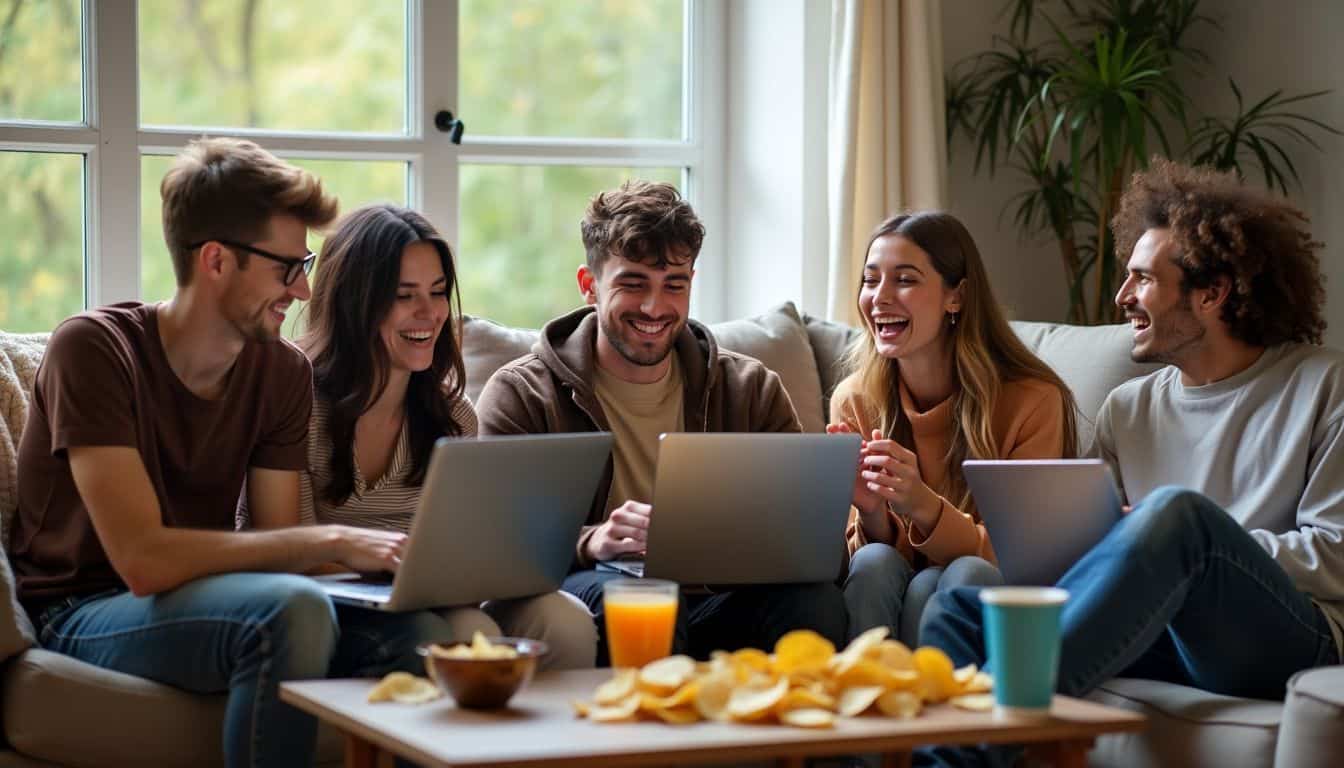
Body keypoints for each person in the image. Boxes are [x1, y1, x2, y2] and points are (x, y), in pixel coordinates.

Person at [8, 138, 422, 768]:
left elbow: (275, 543)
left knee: (428, 633)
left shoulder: (280, 372)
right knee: (290, 613)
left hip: (211, 599)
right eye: (288, 267)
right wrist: (333, 542)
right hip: (81, 608)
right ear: (216, 260)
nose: (305, 290)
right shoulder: (92, 350)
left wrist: (397, 574)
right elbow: (143, 560)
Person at [916, 159, 1343, 766]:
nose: (1121, 297)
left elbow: (1336, 553)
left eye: (1141, 279)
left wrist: (1204, 545)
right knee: (961, 607)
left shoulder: (1325, 387)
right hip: (1165, 627)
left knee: (1178, 517)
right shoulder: (1128, 408)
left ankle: (982, 748)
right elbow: (1099, 551)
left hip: (1290, 636)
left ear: (1212, 293)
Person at [475, 180, 848, 662]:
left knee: (814, 601)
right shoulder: (523, 393)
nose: (655, 308)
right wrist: (593, 541)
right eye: (633, 284)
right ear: (590, 286)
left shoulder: (751, 389)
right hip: (596, 587)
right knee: (645, 601)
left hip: (717, 596)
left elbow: (826, 555)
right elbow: (493, 543)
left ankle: (779, 737)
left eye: (675, 285)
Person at [243, 203, 596, 669]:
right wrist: (388, 567)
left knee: (564, 620)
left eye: (437, 292)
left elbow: (465, 548)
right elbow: (293, 552)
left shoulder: (452, 416)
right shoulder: (297, 405)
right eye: (404, 295)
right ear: (356, 302)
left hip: (428, 594)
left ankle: (554, 744)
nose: (429, 314)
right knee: (473, 634)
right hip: (334, 600)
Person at [828, 212, 1078, 645]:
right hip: (890, 585)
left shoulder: (1032, 402)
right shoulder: (854, 399)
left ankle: (943, 706)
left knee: (963, 572)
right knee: (872, 561)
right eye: (871, 280)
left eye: (904, 280)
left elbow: (1018, 562)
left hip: (997, 602)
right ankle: (864, 699)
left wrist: (922, 504)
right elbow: (868, 558)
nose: (879, 297)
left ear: (956, 297)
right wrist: (870, 511)